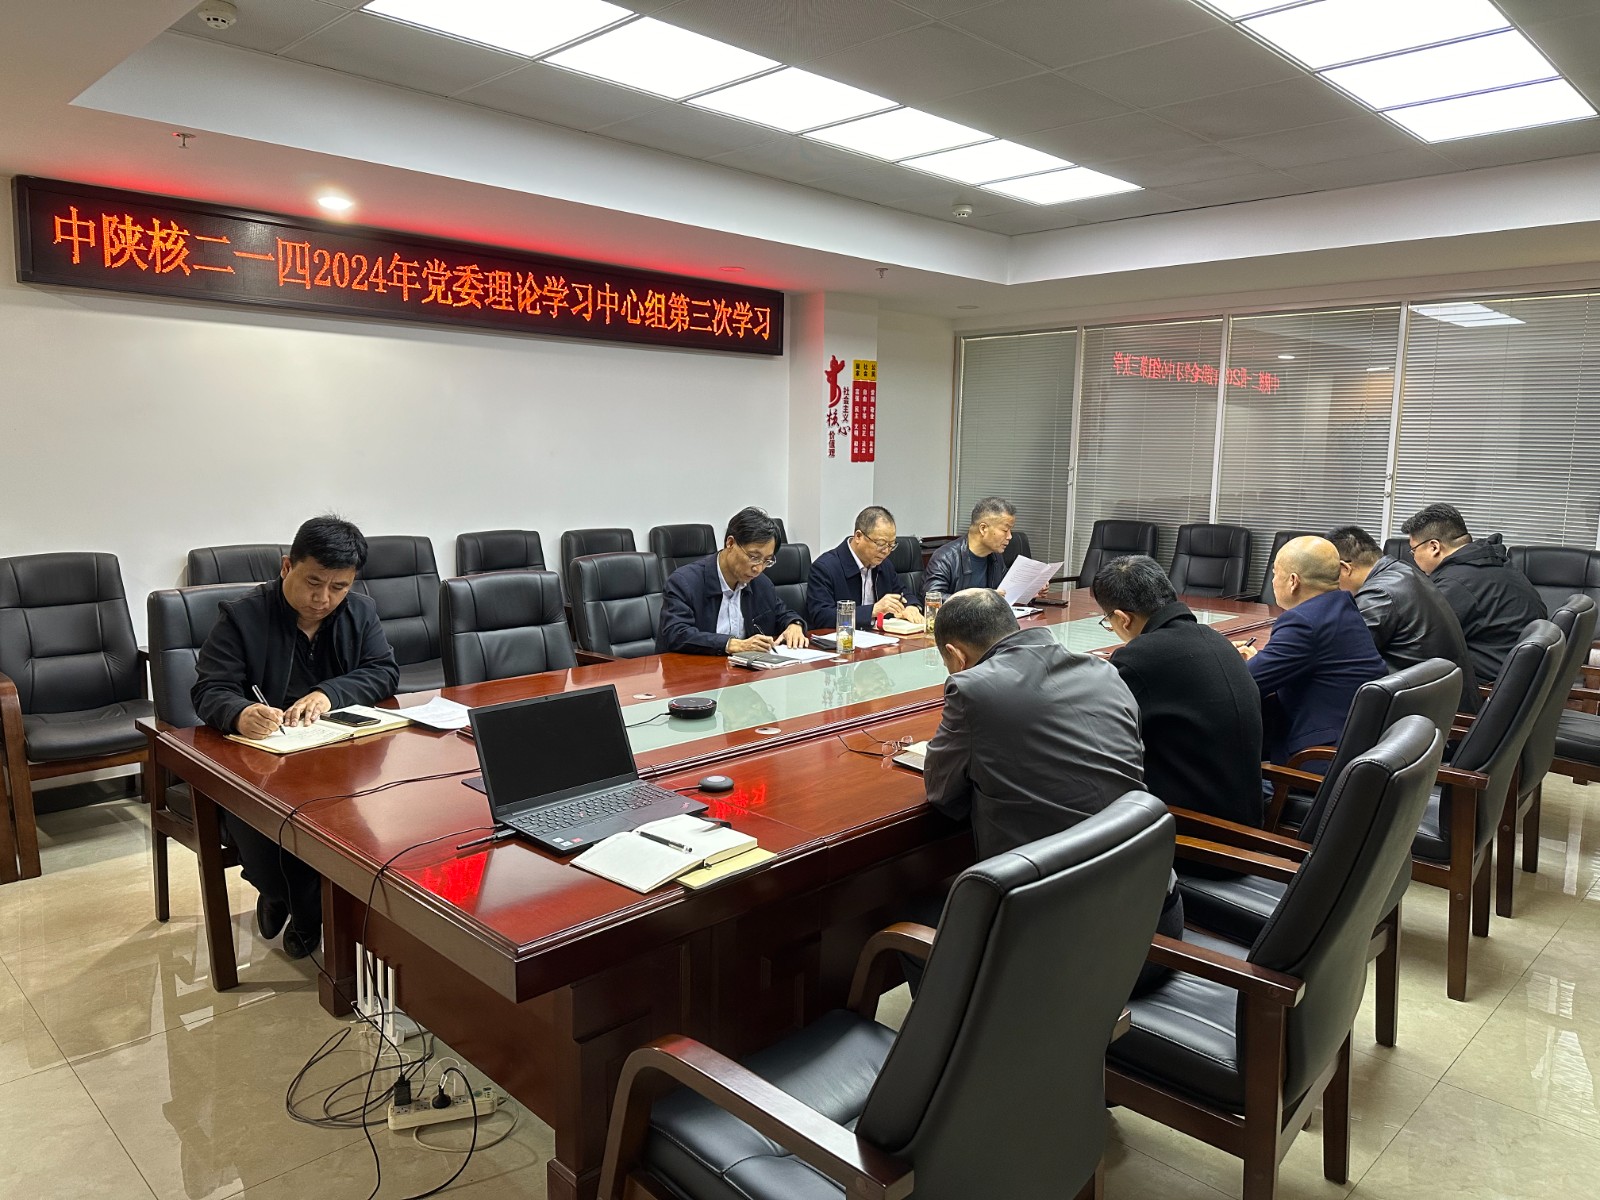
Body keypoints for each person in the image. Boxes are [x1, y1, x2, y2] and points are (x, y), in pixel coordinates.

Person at [921, 588, 1180, 993]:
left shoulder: (973, 690)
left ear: (955, 657)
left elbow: (942, 794)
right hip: (1160, 924)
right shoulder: (1104, 672)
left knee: (918, 906)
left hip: (1079, 955)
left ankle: (975, 1036)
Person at [192, 515, 400, 959]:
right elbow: (209, 690)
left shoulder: (360, 611)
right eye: (313, 582)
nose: (323, 599)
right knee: (267, 847)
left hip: (338, 761)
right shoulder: (242, 616)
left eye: (339, 587)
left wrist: (329, 693)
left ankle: (306, 907)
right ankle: (292, 903)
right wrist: (240, 713)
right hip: (262, 766)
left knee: (369, 836)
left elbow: (383, 671)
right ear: (287, 566)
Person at [1092, 555, 1265, 826]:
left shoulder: (1139, 659)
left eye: (1108, 622)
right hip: (1245, 815)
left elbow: (1100, 735)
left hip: (1198, 831)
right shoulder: (1217, 640)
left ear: (1123, 619)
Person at [1237, 536, 1387, 764]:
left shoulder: (1303, 622)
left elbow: (1243, 684)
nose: (1273, 581)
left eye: (1275, 573)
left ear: (1293, 581)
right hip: (1354, 746)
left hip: (1315, 761)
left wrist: (1231, 659)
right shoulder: (1342, 607)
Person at [1326, 524, 1480, 712]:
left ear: (1344, 568)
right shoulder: (1401, 571)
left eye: (1330, 576)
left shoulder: (1380, 593)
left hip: (1426, 717)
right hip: (1441, 706)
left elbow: (1340, 656)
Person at [1400, 503, 1548, 684]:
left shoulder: (1455, 583)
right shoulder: (1494, 563)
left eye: (1413, 550)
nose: (1413, 557)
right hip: (1519, 674)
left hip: (1488, 685)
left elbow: (1418, 641)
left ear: (1434, 547)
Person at [659, 506, 807, 655]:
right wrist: (730, 644)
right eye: (754, 557)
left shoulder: (761, 583)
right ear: (730, 543)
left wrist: (794, 624)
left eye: (767, 561)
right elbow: (676, 634)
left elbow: (781, 613)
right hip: (694, 666)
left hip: (743, 667)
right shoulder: (684, 582)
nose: (758, 568)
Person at [804, 504, 922, 630]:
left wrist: (911, 606)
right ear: (858, 536)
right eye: (880, 543)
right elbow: (822, 616)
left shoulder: (884, 565)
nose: (886, 551)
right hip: (843, 638)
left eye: (891, 545)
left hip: (880, 638)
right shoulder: (825, 568)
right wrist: (873, 610)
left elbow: (903, 594)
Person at [923, 496, 1015, 597]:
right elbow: (932, 598)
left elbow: (1003, 590)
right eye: (1005, 530)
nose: (1009, 536)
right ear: (983, 528)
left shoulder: (995, 556)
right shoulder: (945, 558)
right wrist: (979, 598)